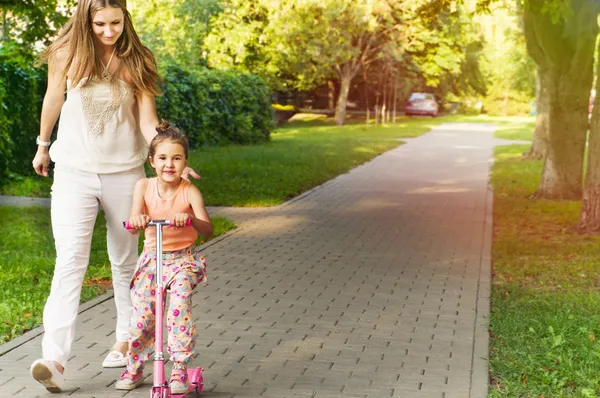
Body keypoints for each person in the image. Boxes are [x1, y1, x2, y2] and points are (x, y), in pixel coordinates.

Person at [29, 0, 198, 392]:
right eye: (101, 24)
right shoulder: (66, 52)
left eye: (116, 23)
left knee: (127, 263)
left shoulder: (138, 58)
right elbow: (54, 98)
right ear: (85, 19)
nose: (109, 31)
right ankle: (54, 359)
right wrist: (42, 145)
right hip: (73, 172)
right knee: (70, 260)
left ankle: (127, 344)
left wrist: (168, 158)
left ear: (126, 19)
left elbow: (147, 119)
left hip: (126, 175)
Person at [115, 122, 212, 392]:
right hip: (152, 260)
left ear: (185, 163)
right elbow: (135, 219)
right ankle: (135, 368)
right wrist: (138, 220)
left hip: (182, 261)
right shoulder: (143, 186)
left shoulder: (189, 191)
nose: (170, 164)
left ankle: (179, 369)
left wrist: (190, 219)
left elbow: (208, 228)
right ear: (152, 161)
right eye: (163, 158)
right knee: (143, 317)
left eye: (177, 158)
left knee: (178, 311)